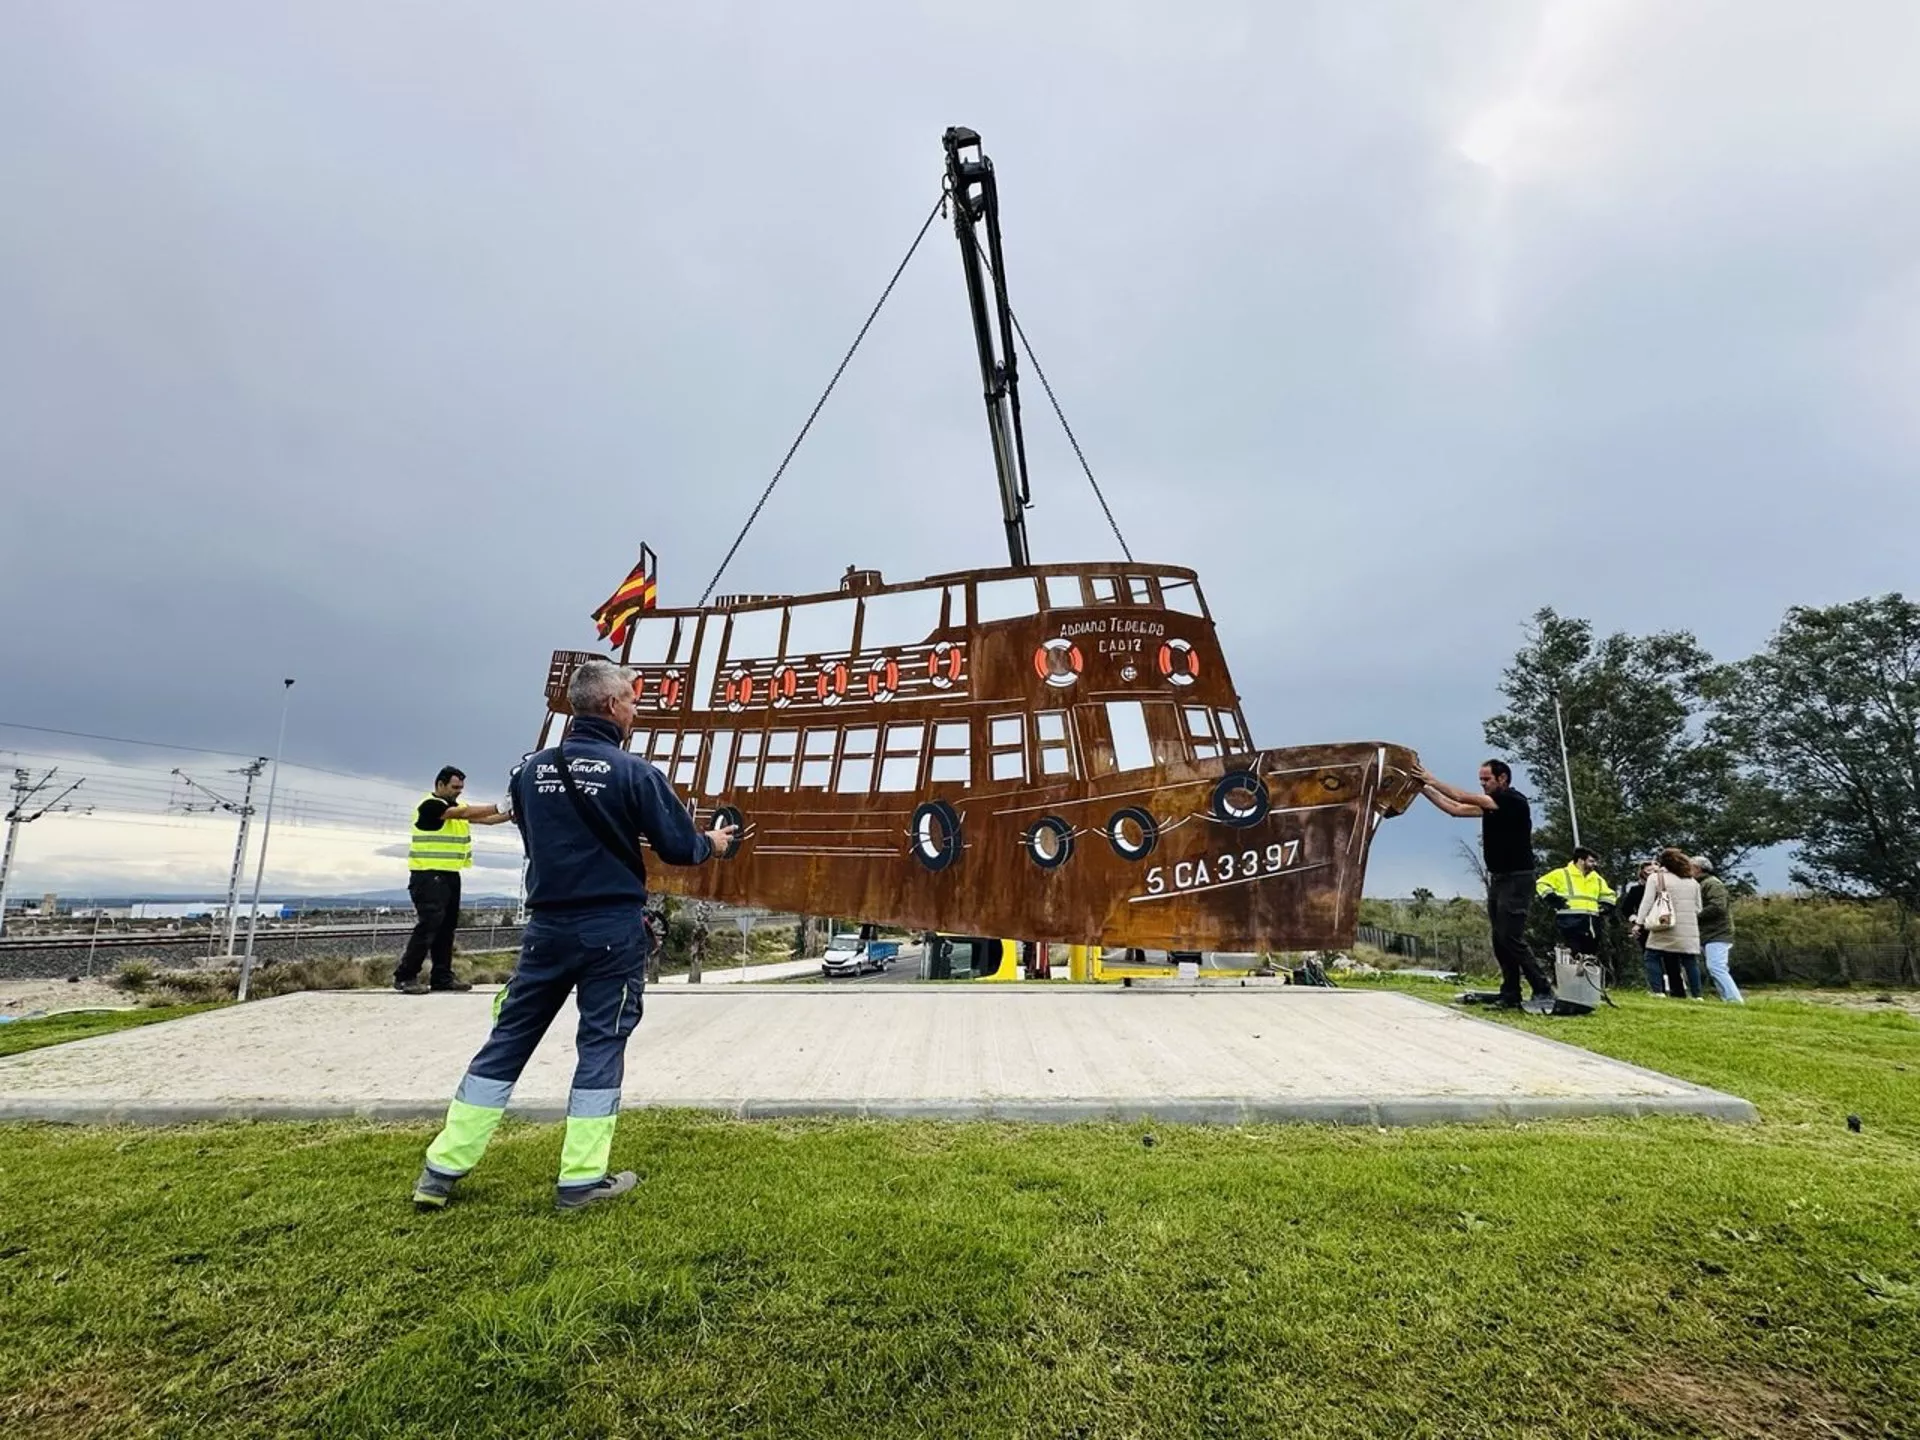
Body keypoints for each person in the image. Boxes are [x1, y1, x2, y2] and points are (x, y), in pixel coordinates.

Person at [411, 660, 735, 1212]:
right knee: (602, 1045)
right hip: (611, 931)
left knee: (507, 1040)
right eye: (632, 700)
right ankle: (580, 1180)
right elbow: (681, 848)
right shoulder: (635, 773)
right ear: (610, 706)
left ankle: (441, 1170)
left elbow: (516, 819)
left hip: (545, 931)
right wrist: (714, 842)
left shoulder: (527, 772)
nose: (635, 709)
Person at [1419, 760, 1555, 1008]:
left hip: (1518, 878)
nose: (1482, 784)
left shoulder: (1512, 801)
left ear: (1502, 779)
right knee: (1498, 938)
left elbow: (1459, 795)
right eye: (1481, 780)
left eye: (1486, 780)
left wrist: (1430, 778)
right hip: (1500, 878)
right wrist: (1420, 787)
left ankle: (1543, 988)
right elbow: (1454, 808)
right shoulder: (1492, 806)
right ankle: (1510, 992)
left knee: (1511, 936)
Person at [393, 765, 515, 995]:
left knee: (446, 928)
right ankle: (405, 976)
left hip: (450, 875)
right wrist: (500, 805)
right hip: (428, 875)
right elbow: (465, 814)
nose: (458, 792)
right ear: (440, 784)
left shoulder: (458, 807)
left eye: (461, 788)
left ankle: (442, 977)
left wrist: (511, 813)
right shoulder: (431, 805)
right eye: (454, 787)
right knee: (429, 925)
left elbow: (486, 819)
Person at [1636, 848, 1703, 998]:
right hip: (1689, 929)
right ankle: (1698, 995)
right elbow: (1698, 907)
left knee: (1651, 955)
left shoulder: (1656, 878)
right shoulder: (1692, 882)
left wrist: (1639, 922)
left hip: (1665, 926)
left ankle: (1657, 991)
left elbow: (1646, 903)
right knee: (1690, 961)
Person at [1535, 847, 1617, 959]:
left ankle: (1586, 974)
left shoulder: (1596, 878)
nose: (1595, 864)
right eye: (1591, 861)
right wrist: (1552, 898)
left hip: (1591, 922)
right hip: (1568, 920)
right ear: (1581, 860)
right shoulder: (1561, 873)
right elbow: (1541, 884)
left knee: (1590, 957)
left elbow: (1609, 894)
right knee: (1571, 954)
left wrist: (1606, 905)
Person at [1692, 856, 1744, 1003]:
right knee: (1715, 967)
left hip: (1718, 933)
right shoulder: (1703, 884)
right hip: (1711, 933)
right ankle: (1727, 998)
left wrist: (1695, 916)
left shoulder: (1712, 884)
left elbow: (1717, 907)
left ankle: (1734, 1000)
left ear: (1698, 869)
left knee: (1716, 967)